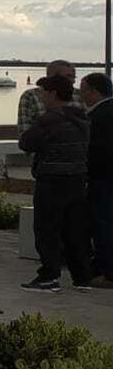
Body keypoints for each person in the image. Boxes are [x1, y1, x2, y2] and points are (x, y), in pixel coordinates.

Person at [19, 75, 93, 292]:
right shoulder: (83, 119)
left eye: (43, 92)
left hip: (51, 179)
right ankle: (82, 277)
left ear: (52, 93)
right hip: (78, 178)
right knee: (75, 230)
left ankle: (49, 275)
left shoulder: (48, 120)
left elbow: (26, 143)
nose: (41, 97)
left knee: (47, 229)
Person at [82, 72, 113, 288]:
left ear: (94, 91)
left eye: (83, 91)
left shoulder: (100, 116)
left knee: (104, 225)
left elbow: (97, 151)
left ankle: (108, 273)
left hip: (103, 179)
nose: (81, 96)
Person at [20, 60, 77, 134]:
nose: (73, 81)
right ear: (52, 76)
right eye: (68, 76)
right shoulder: (31, 96)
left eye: (74, 77)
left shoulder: (79, 95)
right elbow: (24, 131)